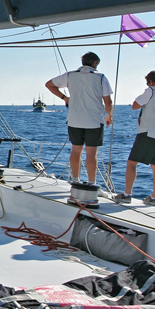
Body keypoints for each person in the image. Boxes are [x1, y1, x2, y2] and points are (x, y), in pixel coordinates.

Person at [45, 52, 113, 205]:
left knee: (76, 149)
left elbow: (49, 84)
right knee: (91, 152)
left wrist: (65, 98)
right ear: (95, 63)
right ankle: (91, 183)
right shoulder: (100, 77)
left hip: (75, 119)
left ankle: (75, 180)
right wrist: (109, 115)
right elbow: (107, 100)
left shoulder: (70, 75)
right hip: (94, 121)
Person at [113, 71, 155, 207]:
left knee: (132, 163)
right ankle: (154, 197)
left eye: (147, 83)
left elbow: (135, 105)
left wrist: (148, 92)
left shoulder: (151, 92)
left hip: (147, 132)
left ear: (151, 82)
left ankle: (127, 194)